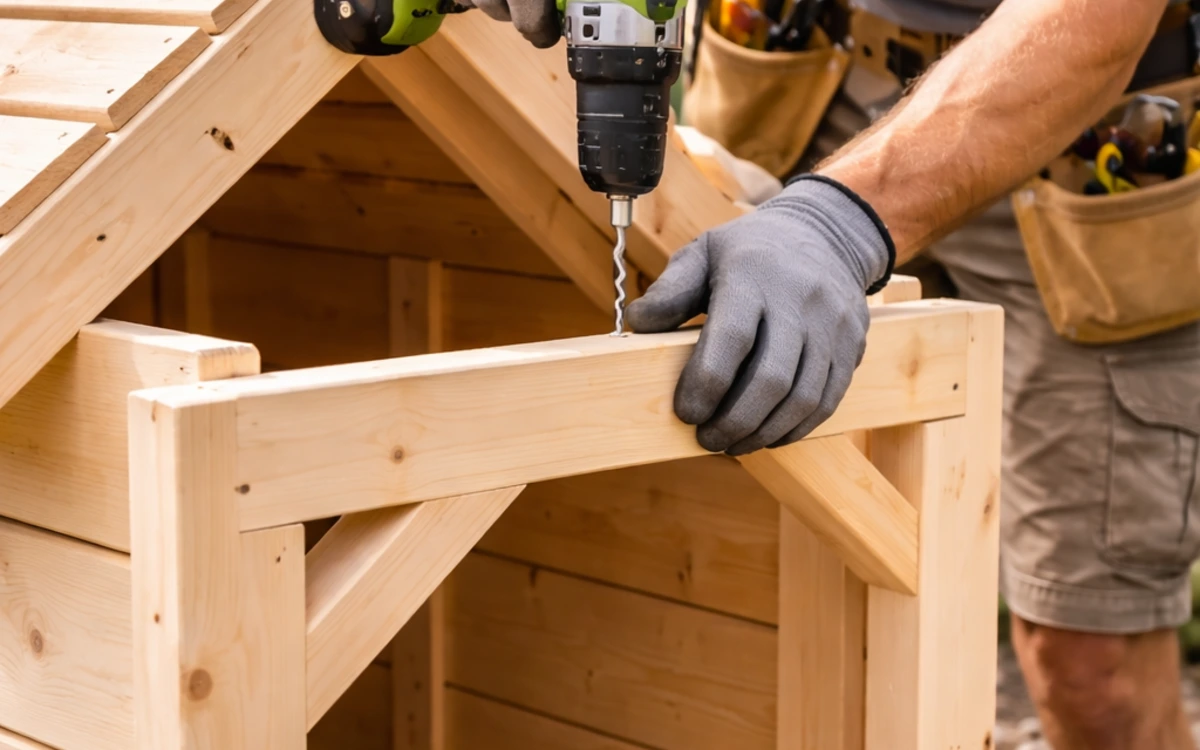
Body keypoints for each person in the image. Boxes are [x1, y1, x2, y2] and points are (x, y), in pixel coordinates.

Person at [469, 0, 1200, 747]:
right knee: (763, 585)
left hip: (1081, 111)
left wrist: (834, 221)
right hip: (801, 63)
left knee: (1093, 661)